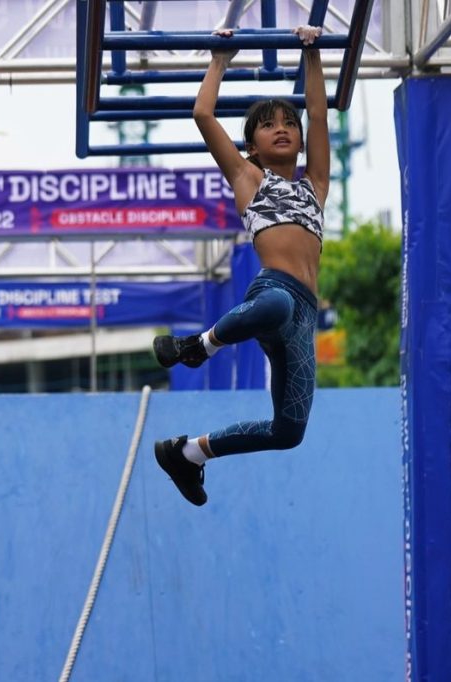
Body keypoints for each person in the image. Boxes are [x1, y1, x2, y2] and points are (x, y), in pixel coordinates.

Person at [152, 25, 328, 506]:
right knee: (273, 303)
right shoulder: (248, 176)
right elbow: (202, 114)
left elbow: (316, 111)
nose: (284, 128)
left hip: (304, 317)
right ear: (251, 146)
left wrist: (311, 54)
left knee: (290, 430)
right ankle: (199, 346)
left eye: (287, 123)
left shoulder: (315, 184)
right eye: (269, 124)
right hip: (274, 292)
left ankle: (189, 453)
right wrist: (220, 59)